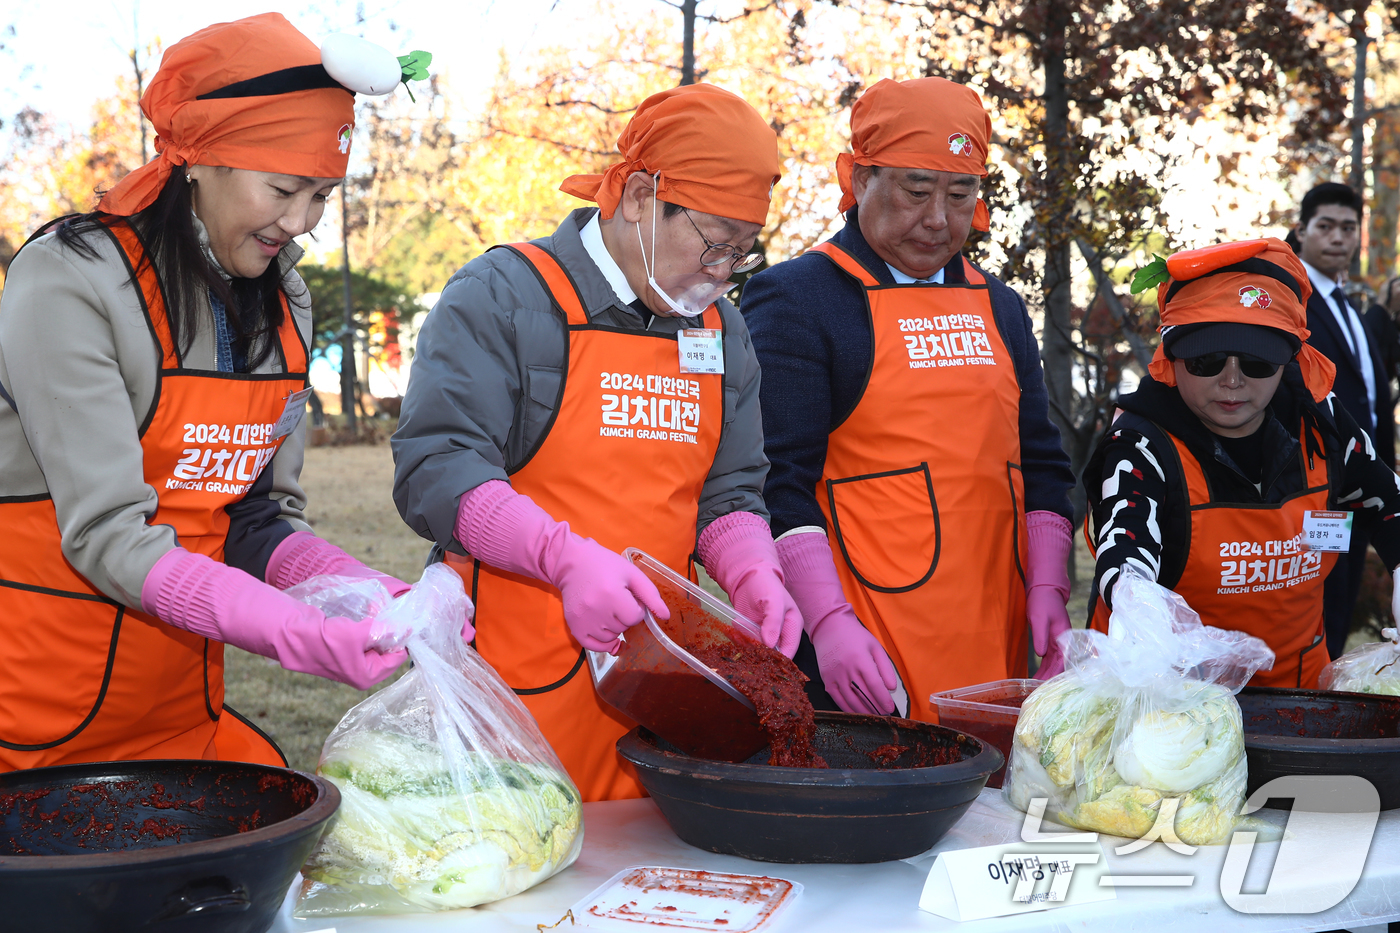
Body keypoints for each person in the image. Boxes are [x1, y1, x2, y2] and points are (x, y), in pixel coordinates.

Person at [0, 14, 463, 773]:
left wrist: (376, 595)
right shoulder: (70, 279)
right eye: (283, 188)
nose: (301, 222)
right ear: (199, 158)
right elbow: (108, 534)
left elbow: (253, 518)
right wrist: (292, 628)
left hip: (181, 716)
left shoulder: (285, 301)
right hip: (32, 728)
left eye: (321, 195)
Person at [392, 84, 802, 802]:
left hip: (662, 698)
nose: (721, 271)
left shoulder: (721, 332)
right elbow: (438, 467)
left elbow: (728, 493)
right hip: (513, 694)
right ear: (641, 195)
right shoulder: (506, 297)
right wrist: (563, 556)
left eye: (741, 252)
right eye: (711, 241)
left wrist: (753, 573)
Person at [740, 77, 1076, 722]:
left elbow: (1041, 464)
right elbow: (775, 480)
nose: (939, 220)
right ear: (860, 179)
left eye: (961, 194)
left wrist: (1050, 587)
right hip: (861, 653)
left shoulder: (1000, 307)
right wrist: (828, 622)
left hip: (995, 640)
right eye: (917, 191)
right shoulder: (800, 298)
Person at [1085, 238, 1400, 688]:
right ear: (1173, 359)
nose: (1231, 381)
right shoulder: (1141, 443)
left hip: (1299, 699)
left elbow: (1387, 500)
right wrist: (1134, 601)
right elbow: (1126, 547)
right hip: (1170, 706)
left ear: (1288, 362)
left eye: (1257, 363)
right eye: (1206, 360)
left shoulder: (1319, 419)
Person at [1291, 182, 1393, 656]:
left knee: (1341, 602)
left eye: (1348, 228)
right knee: (1313, 607)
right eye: (1325, 226)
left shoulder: (1347, 305)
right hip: (1315, 487)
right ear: (1302, 230)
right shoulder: (1291, 300)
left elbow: (1369, 398)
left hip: (1360, 488)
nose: (1338, 238)